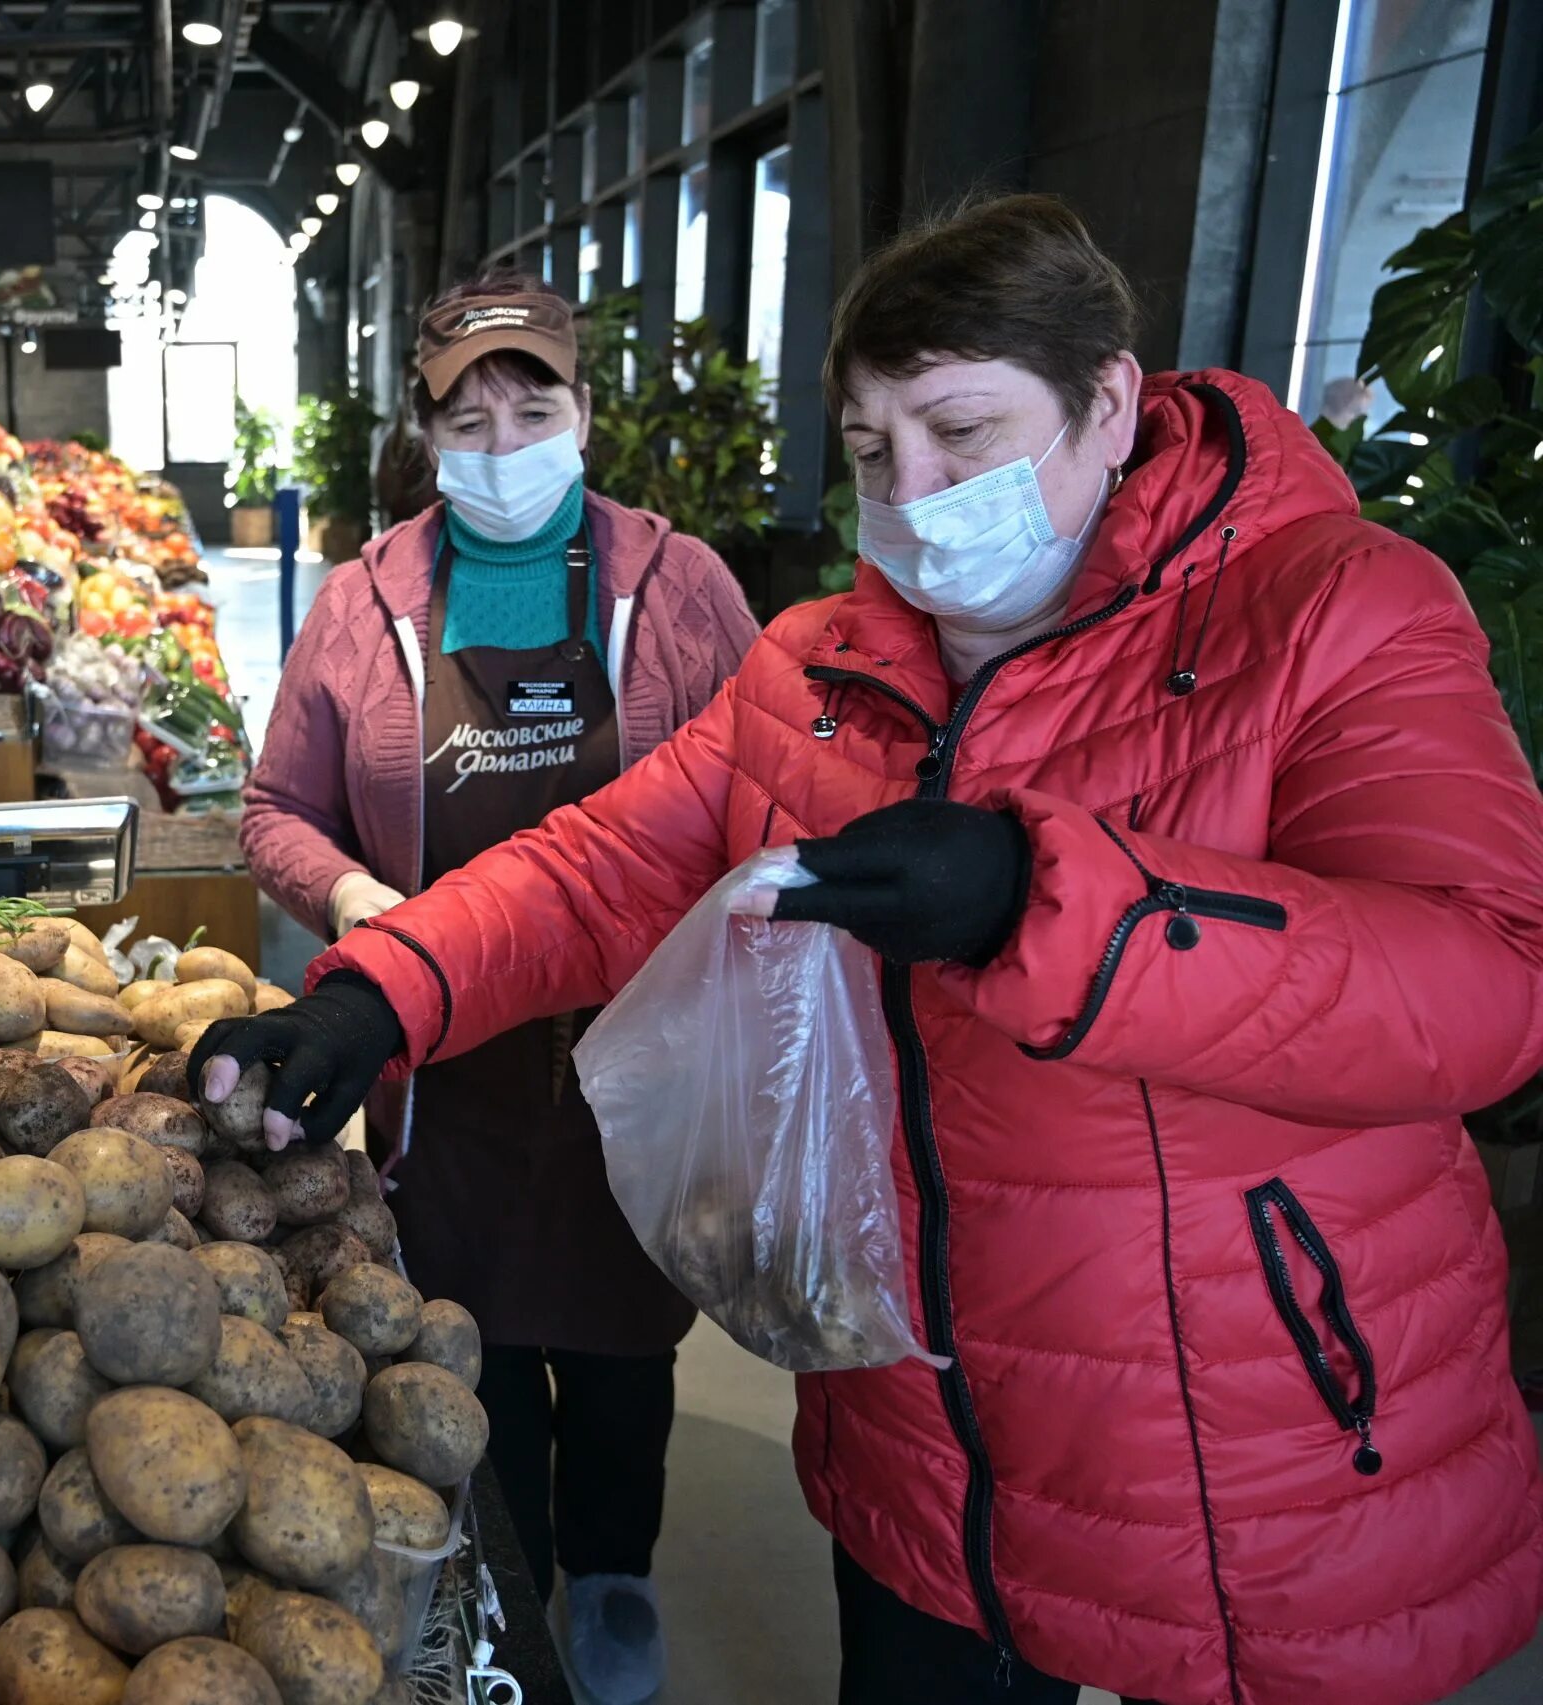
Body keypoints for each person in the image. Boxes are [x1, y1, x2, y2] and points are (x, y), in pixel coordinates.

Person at [200, 196, 1543, 1705]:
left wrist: (1059, 900)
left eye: (961, 432)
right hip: (927, 1429)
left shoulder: (1334, 614)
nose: (915, 492)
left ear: (1111, 401)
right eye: (870, 447)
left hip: (1249, 1437)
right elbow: (604, 866)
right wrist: (381, 988)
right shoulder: (824, 665)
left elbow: (1485, 975)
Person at [240, 270, 761, 1702]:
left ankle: (614, 1570)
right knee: (469, 1340)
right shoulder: (364, 603)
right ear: (425, 431)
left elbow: (769, 778)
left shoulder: (685, 583)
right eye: (468, 412)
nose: (504, 432)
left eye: (533, 401)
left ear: (583, 409)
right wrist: (354, 897)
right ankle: (518, 1581)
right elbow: (273, 806)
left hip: (636, 1045)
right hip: (442, 1058)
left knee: (622, 1342)